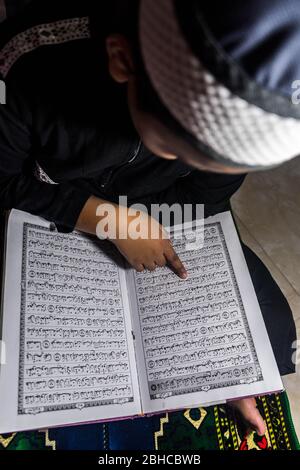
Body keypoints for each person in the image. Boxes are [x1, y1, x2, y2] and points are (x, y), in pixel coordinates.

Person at [0, 0, 298, 436]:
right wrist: (107, 222)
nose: (195, 164)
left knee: (271, 341)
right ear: (123, 61)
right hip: (52, 199)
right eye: (178, 149)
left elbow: (204, 199)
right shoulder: (25, 63)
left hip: (166, 211)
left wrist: (230, 366)